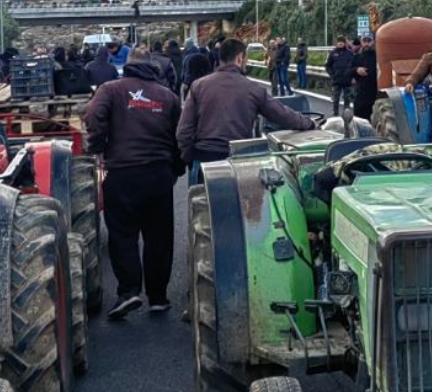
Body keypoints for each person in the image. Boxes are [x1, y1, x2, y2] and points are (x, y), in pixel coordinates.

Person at [84, 47, 184, 319]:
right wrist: (175, 166)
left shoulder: (110, 90)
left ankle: (129, 292)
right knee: (159, 238)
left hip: (122, 172)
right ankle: (158, 297)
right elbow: (181, 135)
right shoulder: (168, 96)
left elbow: (93, 117)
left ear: (127, 66)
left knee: (123, 234)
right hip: (158, 173)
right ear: (153, 68)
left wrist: (98, 146)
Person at [178, 38, 313, 181]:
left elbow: (183, 131)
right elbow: (283, 115)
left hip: (204, 159)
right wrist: (309, 123)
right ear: (240, 58)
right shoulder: (253, 89)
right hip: (238, 160)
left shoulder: (198, 86)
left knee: (201, 202)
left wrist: (190, 158)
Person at [351, 33, 379, 120]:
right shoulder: (356, 57)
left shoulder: (378, 57)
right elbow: (348, 71)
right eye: (364, 41)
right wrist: (357, 70)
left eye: (369, 41)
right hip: (360, 94)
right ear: (361, 42)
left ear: (373, 42)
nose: (366, 44)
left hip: (375, 94)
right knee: (360, 121)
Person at [325, 36, 355, 116]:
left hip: (347, 80)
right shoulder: (333, 53)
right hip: (336, 80)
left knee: (347, 99)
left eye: (342, 42)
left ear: (344, 43)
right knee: (335, 99)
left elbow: (354, 65)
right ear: (336, 43)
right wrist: (332, 75)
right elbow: (328, 66)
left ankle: (346, 115)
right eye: (339, 42)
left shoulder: (350, 53)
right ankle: (335, 114)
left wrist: (352, 76)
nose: (340, 43)